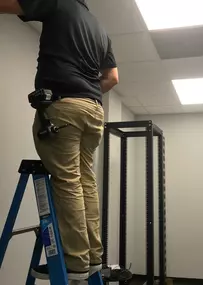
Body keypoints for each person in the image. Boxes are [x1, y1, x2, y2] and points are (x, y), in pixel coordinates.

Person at [0, 0, 119, 281]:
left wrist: (70, 88)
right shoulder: (100, 29)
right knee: (85, 181)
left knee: (67, 182)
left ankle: (75, 263)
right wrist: (84, 88)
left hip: (64, 108)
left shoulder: (57, 2)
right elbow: (112, 78)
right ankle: (92, 258)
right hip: (93, 110)